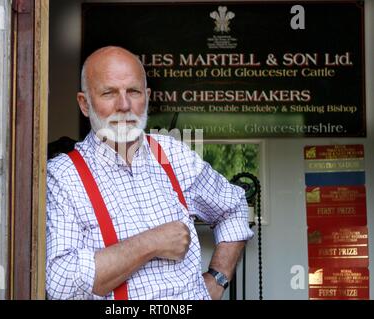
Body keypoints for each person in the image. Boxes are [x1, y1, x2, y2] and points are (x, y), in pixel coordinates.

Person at [46, 46, 254, 300]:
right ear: (85, 104)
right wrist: (151, 243)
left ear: (147, 96)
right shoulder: (63, 175)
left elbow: (233, 207)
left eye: (133, 91)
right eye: (109, 93)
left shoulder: (173, 154)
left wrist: (217, 279)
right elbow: (60, 282)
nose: (124, 105)